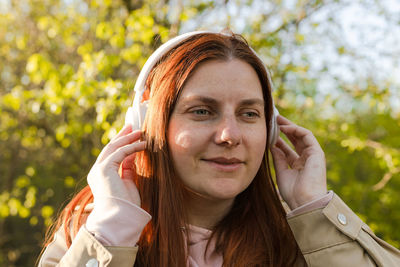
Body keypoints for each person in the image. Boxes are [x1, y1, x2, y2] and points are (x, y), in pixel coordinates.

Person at [38, 30, 400, 267]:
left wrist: (314, 210)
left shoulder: (302, 240)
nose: (229, 135)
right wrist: (112, 229)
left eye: (249, 113)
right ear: (149, 125)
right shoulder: (91, 230)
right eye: (202, 111)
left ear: (271, 129)